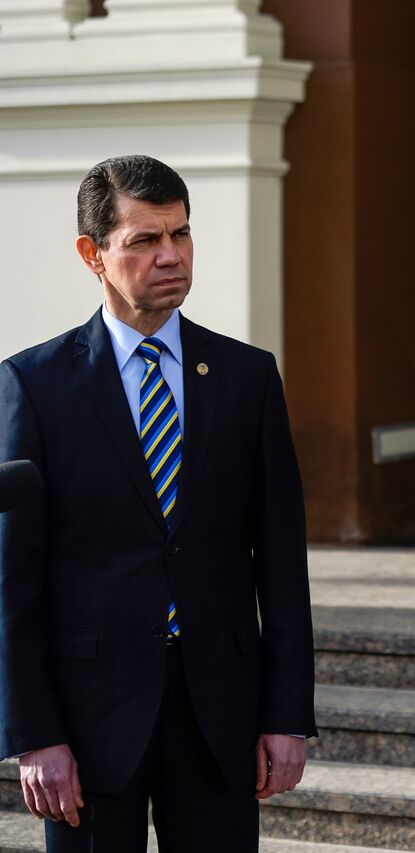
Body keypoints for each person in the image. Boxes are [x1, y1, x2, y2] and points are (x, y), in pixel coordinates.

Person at [0, 155, 318, 852]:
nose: (170, 255)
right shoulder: (35, 384)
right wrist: (34, 735)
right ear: (93, 254)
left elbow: (282, 563)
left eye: (180, 234)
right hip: (86, 724)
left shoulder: (248, 377)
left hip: (220, 713)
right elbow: (12, 583)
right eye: (144, 239)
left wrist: (287, 714)